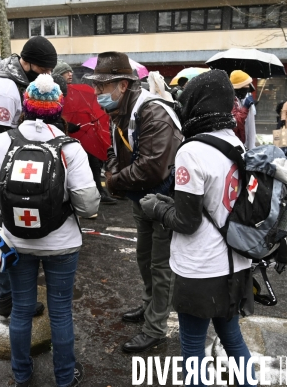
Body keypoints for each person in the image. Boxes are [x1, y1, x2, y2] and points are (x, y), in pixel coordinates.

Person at [139, 69, 255, 387]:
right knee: (232, 339)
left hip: (202, 268)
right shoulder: (235, 143)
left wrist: (156, 207)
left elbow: (186, 222)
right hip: (237, 263)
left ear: (197, 104)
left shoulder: (192, 151)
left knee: (192, 347)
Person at [0, 74, 99, 387]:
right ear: (58, 108)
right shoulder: (69, 147)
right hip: (61, 243)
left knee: (21, 310)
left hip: (16, 240)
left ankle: (21, 373)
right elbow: (89, 206)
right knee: (60, 312)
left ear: (26, 106)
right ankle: (64, 377)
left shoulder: (4, 141)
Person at [86, 51, 183, 353]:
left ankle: (155, 327)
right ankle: (149, 305)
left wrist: (113, 180)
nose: (96, 92)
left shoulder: (152, 111)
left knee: (160, 265)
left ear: (122, 85)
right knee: (144, 258)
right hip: (142, 197)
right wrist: (112, 168)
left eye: (101, 87)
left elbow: (153, 166)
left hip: (165, 199)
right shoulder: (119, 111)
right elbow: (114, 151)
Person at [0, 36, 56, 312]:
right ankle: (7, 300)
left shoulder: (17, 79)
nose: (47, 76)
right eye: (45, 70)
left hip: (6, 161)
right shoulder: (4, 89)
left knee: (3, 227)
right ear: (29, 62)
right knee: (5, 231)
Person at [54, 60, 116, 208]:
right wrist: (68, 126)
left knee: (94, 164)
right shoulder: (56, 95)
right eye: (66, 71)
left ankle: (98, 191)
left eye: (70, 71)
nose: (70, 74)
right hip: (67, 140)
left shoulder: (79, 92)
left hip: (83, 137)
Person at [229, 70, 255, 148]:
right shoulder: (230, 100)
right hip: (234, 143)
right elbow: (235, 123)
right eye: (246, 86)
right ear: (239, 87)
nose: (247, 89)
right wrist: (245, 108)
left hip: (240, 142)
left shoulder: (240, 100)